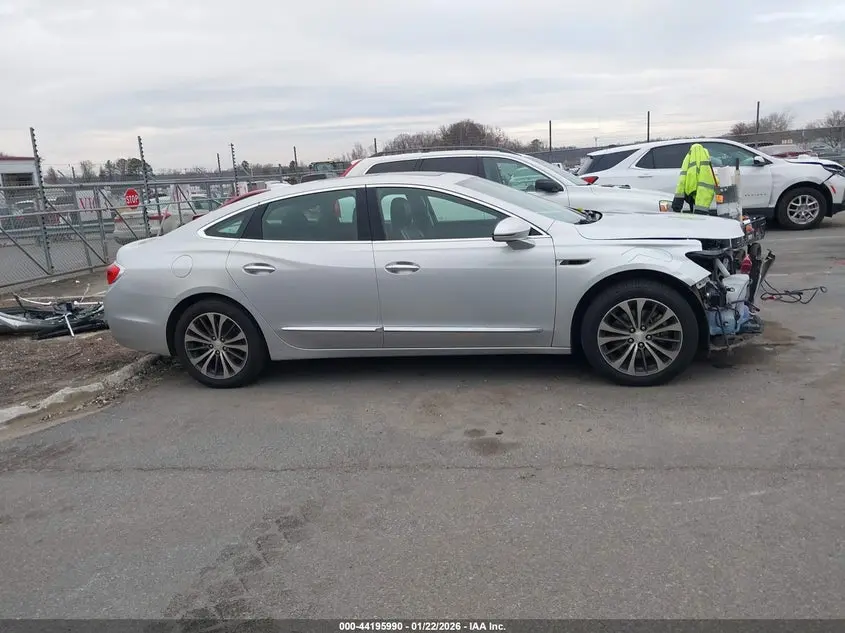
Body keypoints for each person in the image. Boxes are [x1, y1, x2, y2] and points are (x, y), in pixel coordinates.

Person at [671, 143, 718, 215]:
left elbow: (681, 181)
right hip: (703, 198)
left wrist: (677, 204)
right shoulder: (706, 158)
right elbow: (712, 178)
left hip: (690, 193)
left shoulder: (688, 159)